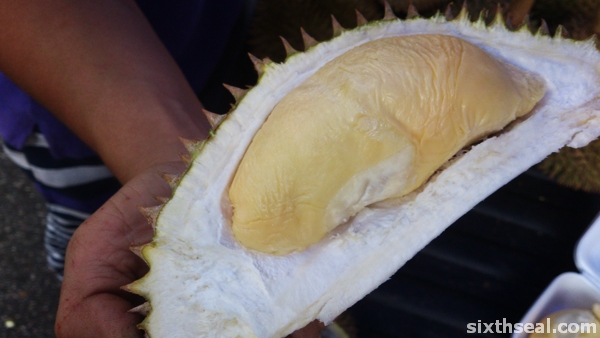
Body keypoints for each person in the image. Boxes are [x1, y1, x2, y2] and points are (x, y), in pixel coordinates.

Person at [0, 0, 321, 336]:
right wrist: (184, 166)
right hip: (66, 107)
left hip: (215, 30)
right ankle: (62, 263)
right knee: (87, 225)